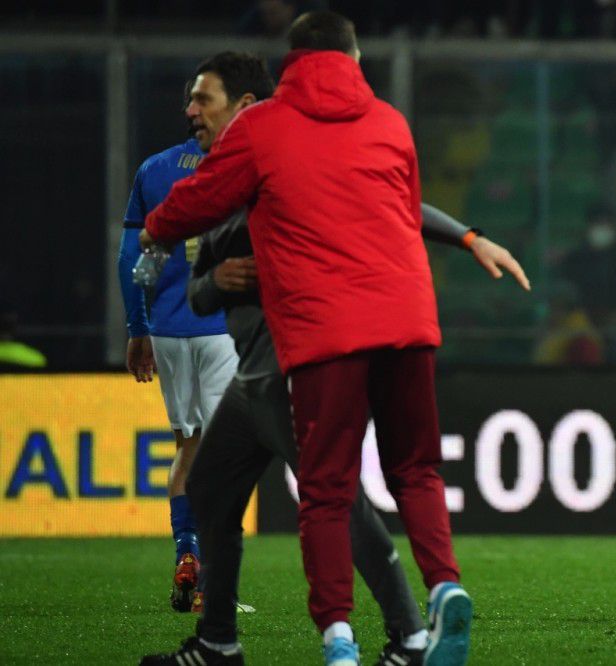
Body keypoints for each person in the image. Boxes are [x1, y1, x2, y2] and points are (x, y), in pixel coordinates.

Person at [140, 11, 484, 665]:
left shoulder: (264, 145)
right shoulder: (373, 125)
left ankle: (395, 634)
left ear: (244, 104)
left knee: (332, 497)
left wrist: (466, 235)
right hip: (271, 368)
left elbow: (383, 219)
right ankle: (219, 640)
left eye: (202, 98)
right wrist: (222, 278)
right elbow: (201, 290)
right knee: (214, 487)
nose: (191, 112)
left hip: (306, 355)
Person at [117, 63, 260, 613]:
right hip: (226, 326)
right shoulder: (244, 163)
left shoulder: (155, 170)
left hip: (171, 329)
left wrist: (139, 326)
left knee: (188, 447)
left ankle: (188, 555)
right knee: (228, 455)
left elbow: (135, 255)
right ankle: (214, 582)